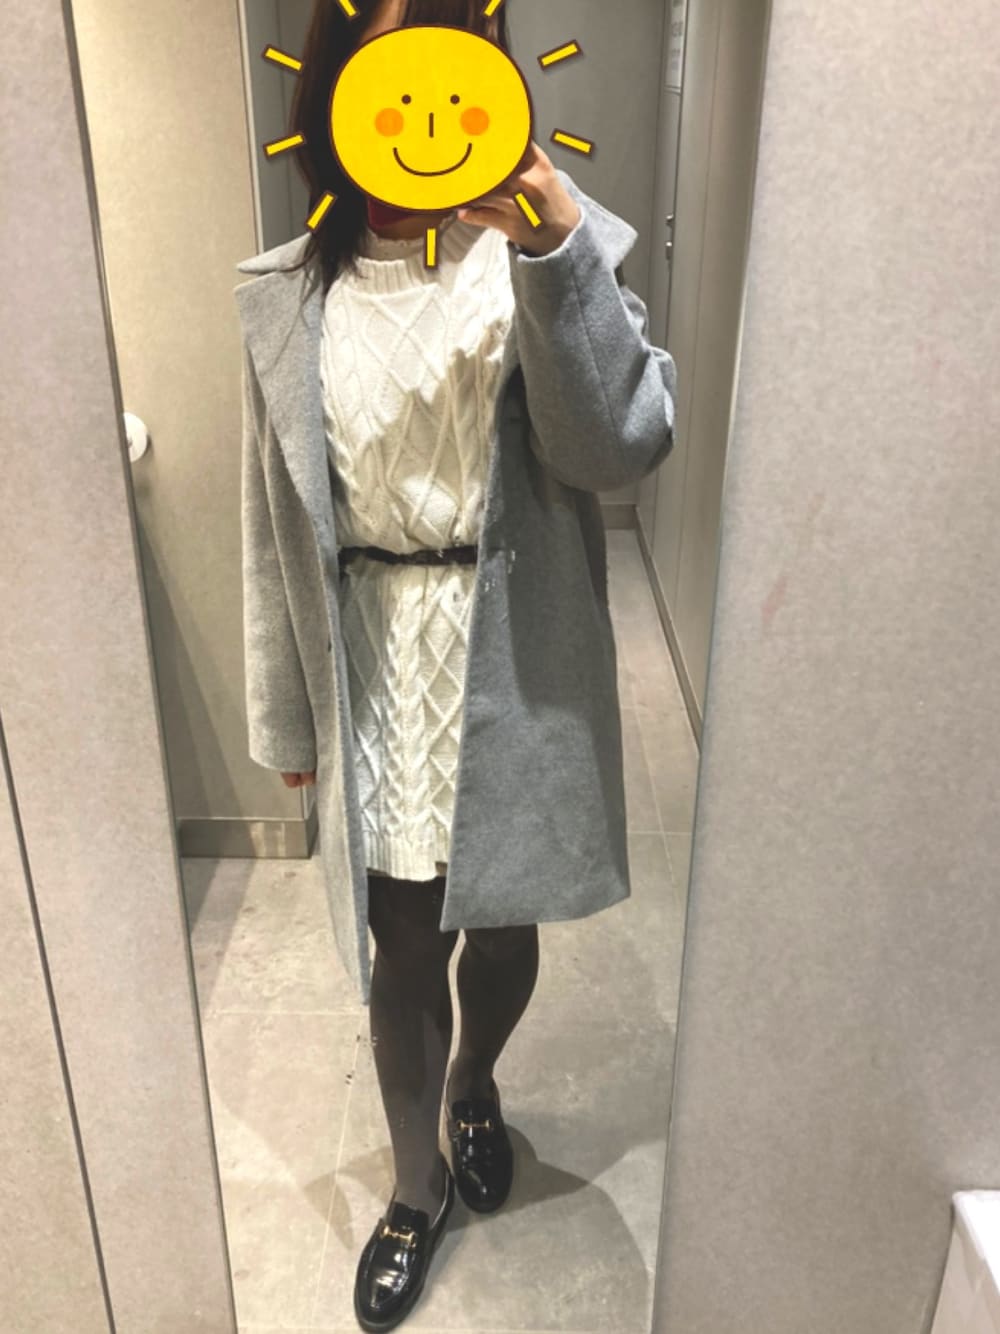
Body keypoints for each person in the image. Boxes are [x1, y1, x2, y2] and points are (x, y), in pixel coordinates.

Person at [236, 1, 676, 1328]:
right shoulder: (287, 295)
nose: (421, 110)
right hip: (373, 655)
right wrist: (286, 716)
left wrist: (554, 251)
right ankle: (413, 1186)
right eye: (388, 72)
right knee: (401, 940)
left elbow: (619, 448)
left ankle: (475, 1080)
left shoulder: (552, 256)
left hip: (512, 651)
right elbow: (270, 522)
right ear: (335, 95)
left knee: (502, 914)